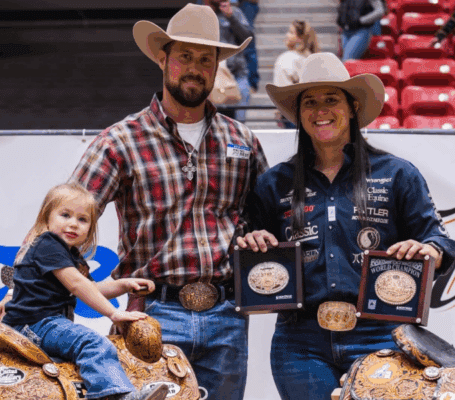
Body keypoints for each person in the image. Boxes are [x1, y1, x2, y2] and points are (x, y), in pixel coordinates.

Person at [69, 4, 267, 400]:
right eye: (184, 56)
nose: (195, 67)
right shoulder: (119, 141)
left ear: (216, 66)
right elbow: (64, 223)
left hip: (227, 316)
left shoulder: (243, 141)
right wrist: (21, 296)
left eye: (205, 59)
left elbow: (272, 220)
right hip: (151, 315)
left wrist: (263, 235)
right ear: (163, 59)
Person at [237, 52, 455, 399]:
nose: (320, 110)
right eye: (309, 102)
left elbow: (439, 239)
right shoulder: (273, 184)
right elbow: (246, 246)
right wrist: (252, 240)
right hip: (300, 341)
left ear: (352, 106)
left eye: (331, 99)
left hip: (381, 334)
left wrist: (429, 251)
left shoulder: (397, 174)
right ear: (299, 114)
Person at [0, 183, 167, 400]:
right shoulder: (47, 244)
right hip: (31, 324)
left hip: (47, 323)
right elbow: (77, 285)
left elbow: (92, 289)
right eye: (65, 215)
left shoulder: (71, 256)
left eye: (82, 219)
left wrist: (124, 285)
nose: (73, 224)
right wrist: (113, 314)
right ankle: (116, 396)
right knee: (91, 343)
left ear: (90, 227)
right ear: (46, 219)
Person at [202, 0, 255, 121]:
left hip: (237, 75)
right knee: (213, 122)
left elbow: (248, 38)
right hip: (211, 77)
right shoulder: (201, 14)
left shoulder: (235, 12)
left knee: (240, 123)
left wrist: (231, 17)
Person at [272, 20, 320, 129]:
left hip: (290, 112)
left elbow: (281, 89)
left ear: (300, 38)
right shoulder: (313, 57)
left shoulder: (286, 58)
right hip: (311, 111)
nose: (287, 35)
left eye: (291, 32)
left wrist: (277, 112)